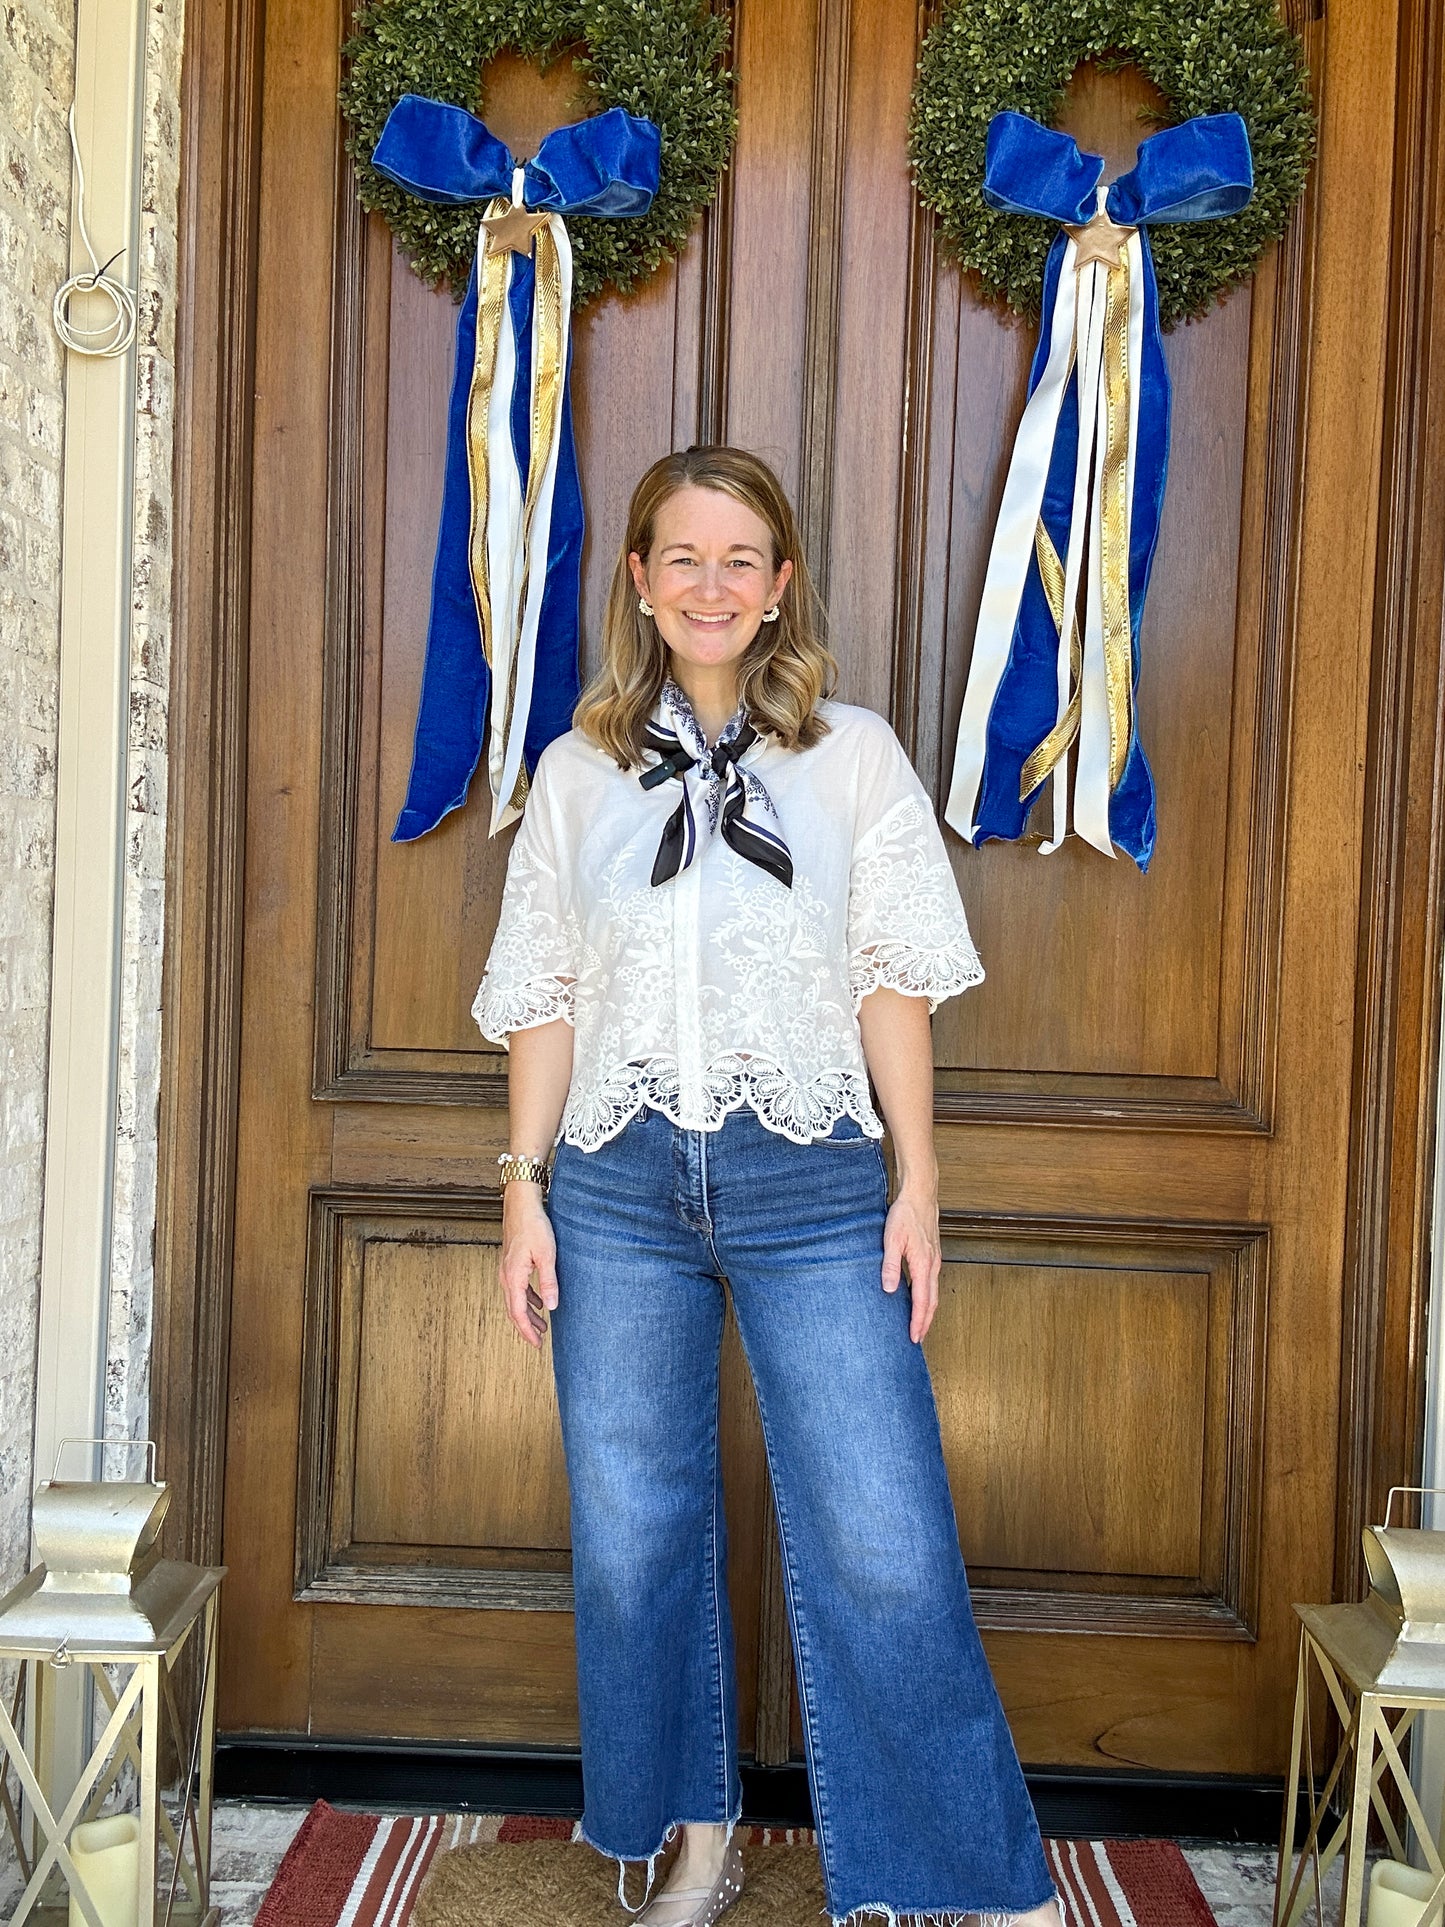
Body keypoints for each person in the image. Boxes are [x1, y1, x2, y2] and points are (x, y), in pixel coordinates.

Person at [473, 445, 1062, 1927]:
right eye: (684, 558)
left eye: (743, 561)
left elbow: (890, 984)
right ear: (638, 580)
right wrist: (520, 1187)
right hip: (611, 1183)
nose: (713, 586)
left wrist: (914, 1183)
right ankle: (692, 1836)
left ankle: (967, 1877)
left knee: (880, 1531)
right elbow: (541, 994)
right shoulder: (576, 772)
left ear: (781, 581)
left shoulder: (851, 755)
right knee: (632, 1532)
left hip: (810, 1177)